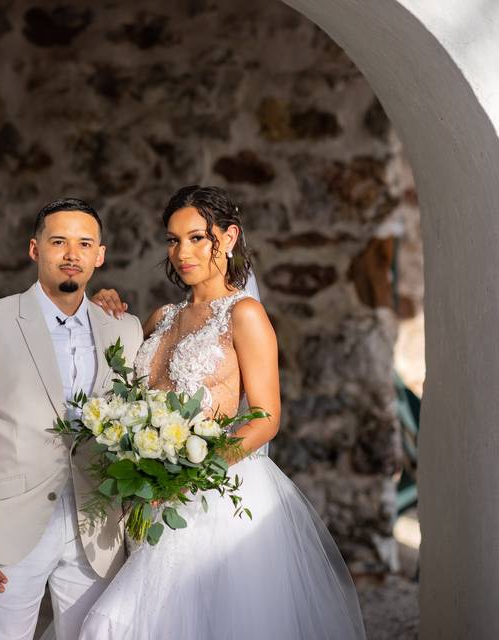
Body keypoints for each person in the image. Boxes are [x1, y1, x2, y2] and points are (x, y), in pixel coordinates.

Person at [80, 185, 366, 639]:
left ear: (229, 237)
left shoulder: (245, 314)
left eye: (198, 237)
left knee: (116, 625)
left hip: (209, 496)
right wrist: (101, 310)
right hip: (147, 497)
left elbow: (266, 415)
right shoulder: (162, 318)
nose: (183, 252)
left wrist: (192, 473)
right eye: (173, 240)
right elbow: (122, 392)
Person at [0, 198, 145, 640]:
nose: (71, 254)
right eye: (58, 241)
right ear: (35, 249)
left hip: (98, 530)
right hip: (8, 532)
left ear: (99, 255)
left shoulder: (125, 328)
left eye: (84, 243)